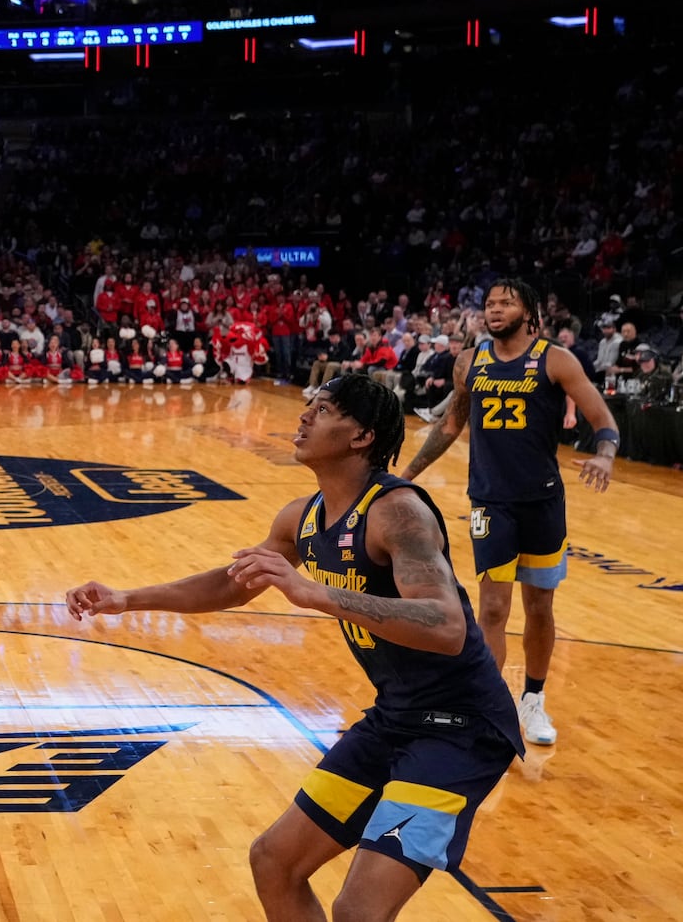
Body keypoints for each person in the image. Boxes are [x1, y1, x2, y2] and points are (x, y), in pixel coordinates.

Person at [66, 375, 522, 919]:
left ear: (361, 436)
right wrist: (125, 598)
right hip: (395, 717)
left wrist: (315, 591)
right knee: (274, 862)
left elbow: (446, 625)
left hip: (460, 729)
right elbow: (234, 584)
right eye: (309, 405)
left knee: (358, 911)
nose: (304, 417)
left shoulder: (398, 511)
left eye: (324, 409)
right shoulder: (302, 515)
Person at [400, 279, 618, 747]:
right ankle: (487, 706)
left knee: (539, 606)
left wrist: (604, 453)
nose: (494, 310)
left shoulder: (554, 359)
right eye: (490, 304)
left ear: (530, 312)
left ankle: (533, 699)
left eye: (506, 303)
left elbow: (603, 419)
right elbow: (452, 424)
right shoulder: (470, 361)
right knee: (493, 607)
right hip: (489, 500)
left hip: (542, 502)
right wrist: (409, 473)